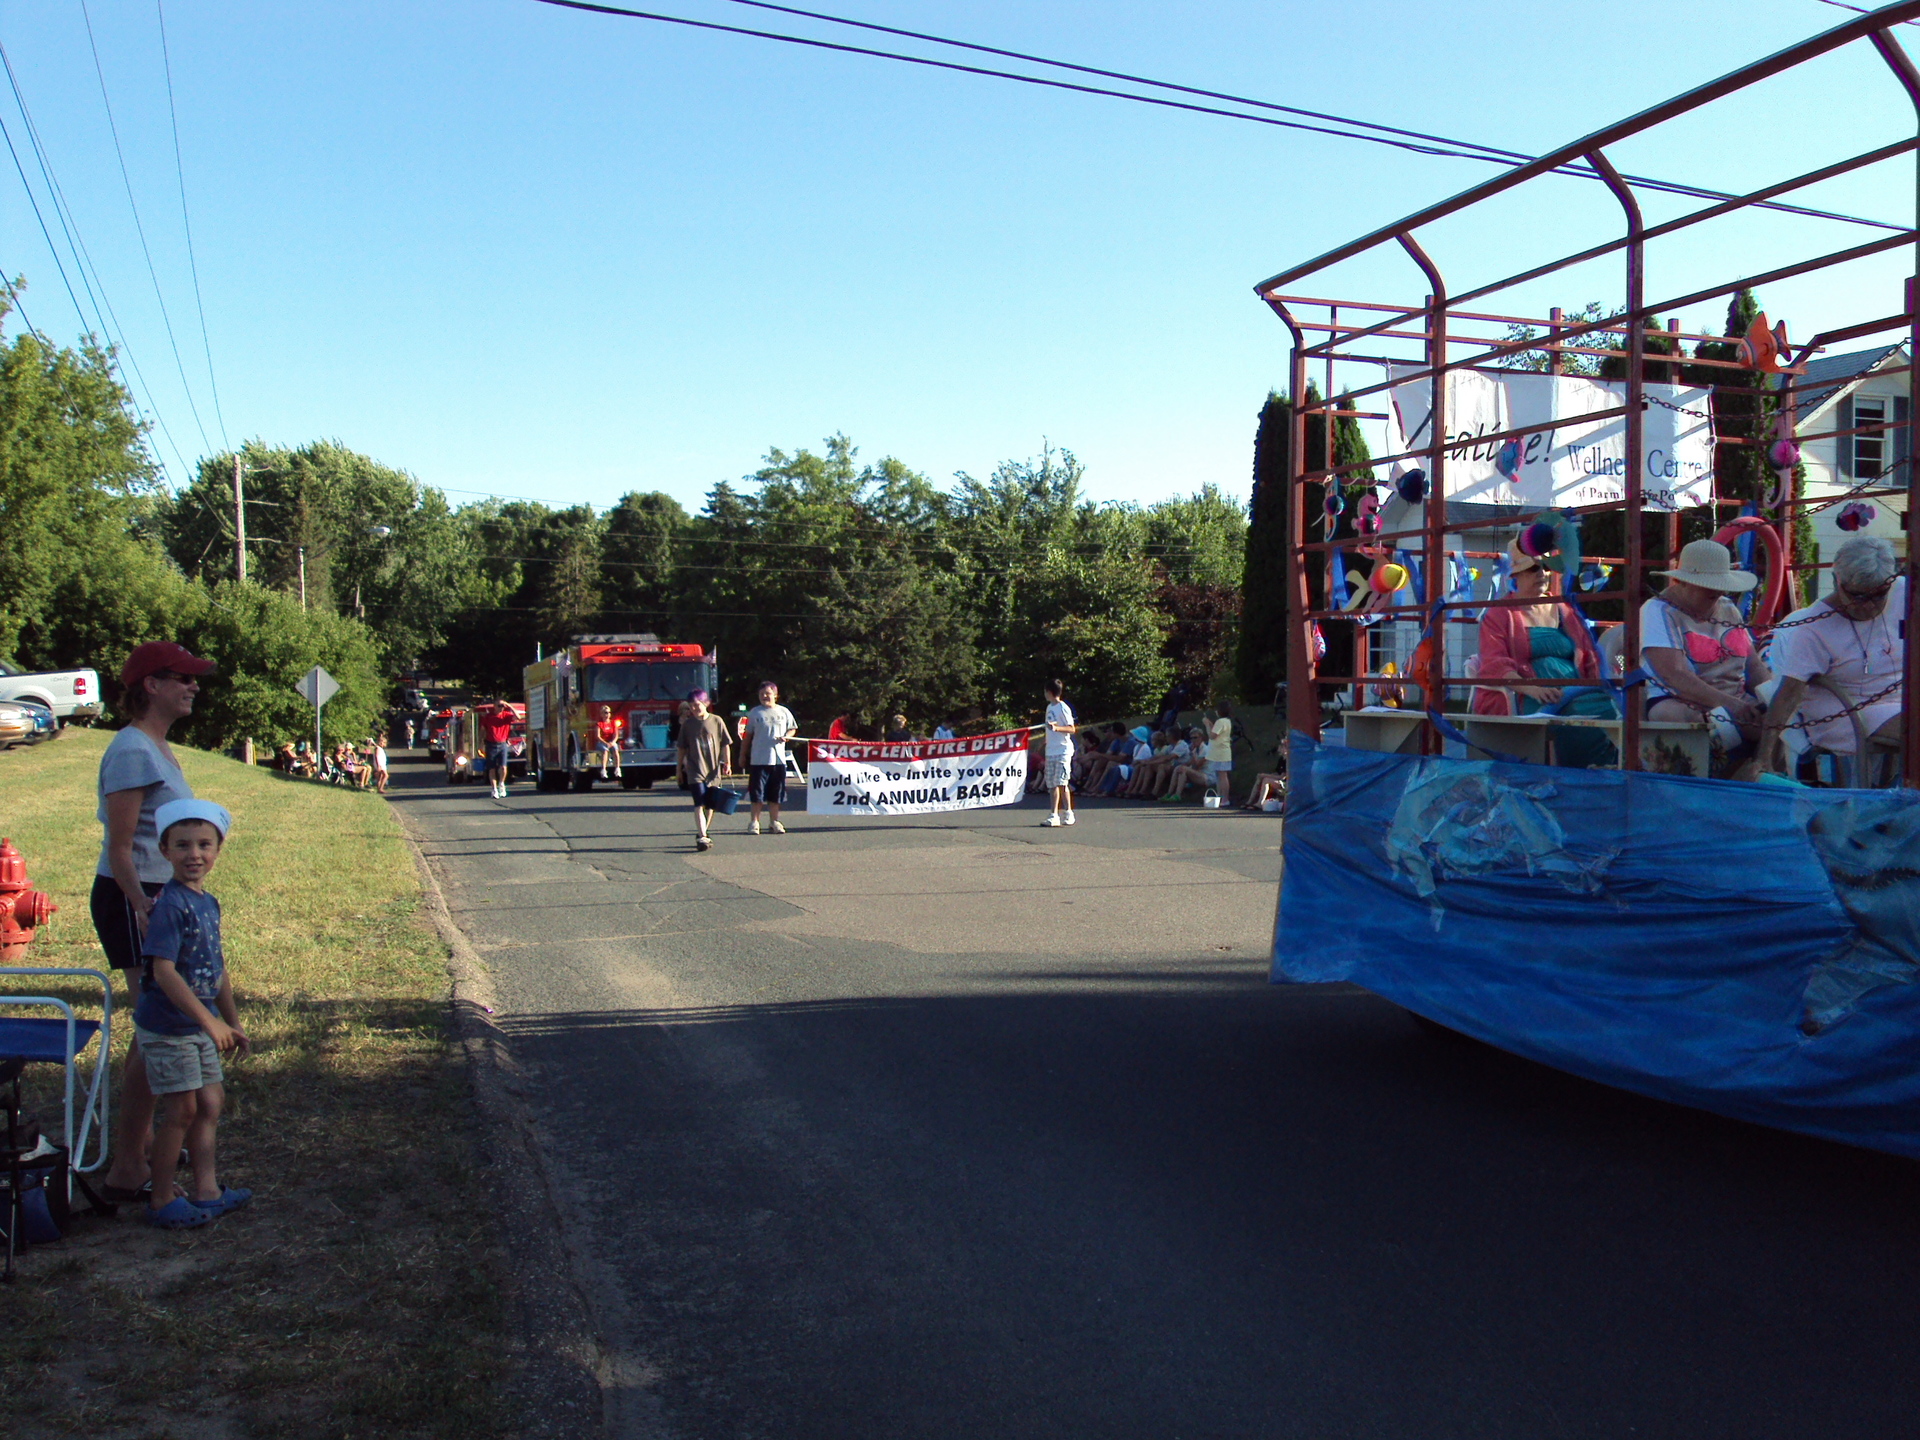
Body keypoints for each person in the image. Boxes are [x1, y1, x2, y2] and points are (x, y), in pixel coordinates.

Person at [93, 641, 215, 1204]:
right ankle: (126, 1165)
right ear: (150, 685)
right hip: (132, 897)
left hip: (159, 896)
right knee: (154, 1027)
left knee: (155, 1027)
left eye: (194, 679)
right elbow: (121, 847)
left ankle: (137, 1154)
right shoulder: (131, 750)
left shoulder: (159, 747)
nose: (193, 686)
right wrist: (143, 907)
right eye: (182, 678)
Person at [136, 799, 250, 1229]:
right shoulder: (169, 905)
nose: (194, 854)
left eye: (204, 844)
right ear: (165, 850)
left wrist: (231, 1020)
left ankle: (207, 1190)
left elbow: (215, 968)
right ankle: (161, 1199)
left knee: (210, 1103)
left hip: (198, 1024)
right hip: (169, 1028)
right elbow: (163, 972)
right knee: (181, 1110)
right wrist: (209, 1022)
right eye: (182, 845)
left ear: (218, 849)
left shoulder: (208, 902)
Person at [1751, 534, 1905, 779]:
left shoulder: (1903, 592)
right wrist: (1764, 757)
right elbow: (1788, 693)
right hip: (1846, 714)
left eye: (1878, 595)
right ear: (1837, 581)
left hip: (1900, 701)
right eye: (1857, 596)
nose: (1869, 606)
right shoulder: (1813, 628)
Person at [1475, 538, 1614, 767]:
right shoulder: (1499, 614)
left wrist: (1598, 685)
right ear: (1515, 577)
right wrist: (1532, 689)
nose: (1540, 573)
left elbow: (1588, 655)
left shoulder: (1564, 609)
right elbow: (1495, 663)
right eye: (1531, 569)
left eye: (1544, 568)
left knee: (1609, 709)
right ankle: (1572, 773)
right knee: (1573, 714)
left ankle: (1603, 771)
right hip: (1526, 695)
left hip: (1576, 690)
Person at [1640, 538, 1772, 764]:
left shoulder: (1728, 608)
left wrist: (1772, 699)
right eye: (1709, 592)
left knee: (1782, 723)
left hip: (1736, 699)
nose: (1717, 595)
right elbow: (1674, 675)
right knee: (1681, 718)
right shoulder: (1657, 610)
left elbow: (1752, 665)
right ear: (1682, 583)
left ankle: (1771, 774)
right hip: (1678, 700)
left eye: (1719, 591)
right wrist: (1731, 705)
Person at [676, 689, 733, 852]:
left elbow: (725, 744)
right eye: (691, 706)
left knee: (710, 805)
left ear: (706, 703)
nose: (694, 709)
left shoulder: (716, 721)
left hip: (713, 770)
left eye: (697, 705)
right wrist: (679, 768)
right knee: (699, 803)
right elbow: (681, 748)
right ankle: (702, 836)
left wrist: (727, 763)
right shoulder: (688, 725)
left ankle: (703, 831)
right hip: (695, 769)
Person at [744, 680, 797, 836]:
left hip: (778, 760)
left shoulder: (784, 712)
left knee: (776, 793)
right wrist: (742, 755)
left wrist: (787, 737)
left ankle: (774, 822)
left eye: (767, 693)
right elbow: (748, 736)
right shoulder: (755, 712)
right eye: (761, 694)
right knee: (757, 793)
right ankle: (754, 822)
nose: (764, 696)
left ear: (775, 695)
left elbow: (792, 728)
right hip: (758, 760)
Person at [1040, 679, 1076, 827]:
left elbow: (1071, 728)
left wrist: (1056, 728)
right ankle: (1054, 815)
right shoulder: (1049, 708)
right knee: (1052, 784)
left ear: (1049, 692)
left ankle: (1068, 812)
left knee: (1061, 783)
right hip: (1051, 750)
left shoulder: (1062, 707)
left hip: (1062, 750)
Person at [478, 699, 516, 799]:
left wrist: (509, 705)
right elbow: (482, 730)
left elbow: (518, 717)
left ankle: (502, 784)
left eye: (503, 706)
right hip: (490, 744)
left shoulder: (506, 715)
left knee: (503, 766)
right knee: (492, 768)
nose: (501, 708)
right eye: (499, 705)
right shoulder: (488, 717)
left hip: (503, 744)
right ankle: (494, 789)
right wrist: (480, 743)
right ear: (494, 706)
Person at [1204, 701, 1236, 807]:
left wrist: (1206, 725)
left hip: (1220, 753)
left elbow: (1212, 735)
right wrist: (1210, 724)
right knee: (1220, 776)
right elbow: (1216, 731)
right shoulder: (1226, 721)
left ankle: (1224, 799)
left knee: (1222, 776)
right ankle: (1220, 797)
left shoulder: (1220, 721)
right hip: (1221, 752)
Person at [591, 704, 624, 781]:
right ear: (601, 714)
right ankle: (603, 770)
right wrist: (605, 743)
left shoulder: (613, 723)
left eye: (609, 712)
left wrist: (613, 742)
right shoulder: (599, 724)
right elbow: (598, 736)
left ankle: (617, 769)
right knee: (605, 751)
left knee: (616, 749)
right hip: (602, 742)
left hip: (611, 742)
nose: (607, 714)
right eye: (605, 712)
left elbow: (616, 735)